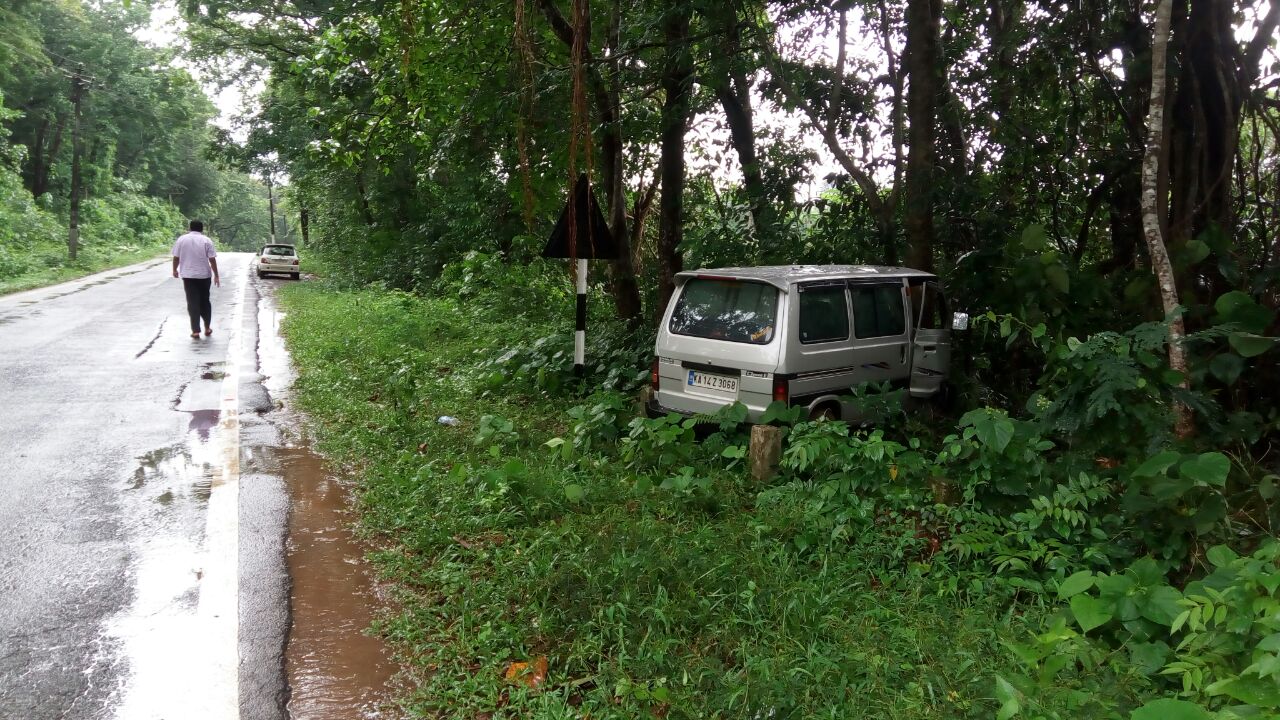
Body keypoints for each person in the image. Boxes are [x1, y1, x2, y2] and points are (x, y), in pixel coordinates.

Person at [171, 220, 220, 339]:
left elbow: (176, 257)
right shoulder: (206, 240)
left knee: (193, 303)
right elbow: (212, 259)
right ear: (202, 229)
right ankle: (207, 327)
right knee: (205, 302)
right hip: (204, 276)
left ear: (189, 228)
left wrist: (174, 270)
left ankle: (196, 331)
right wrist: (216, 275)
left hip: (188, 276)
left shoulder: (182, 239)